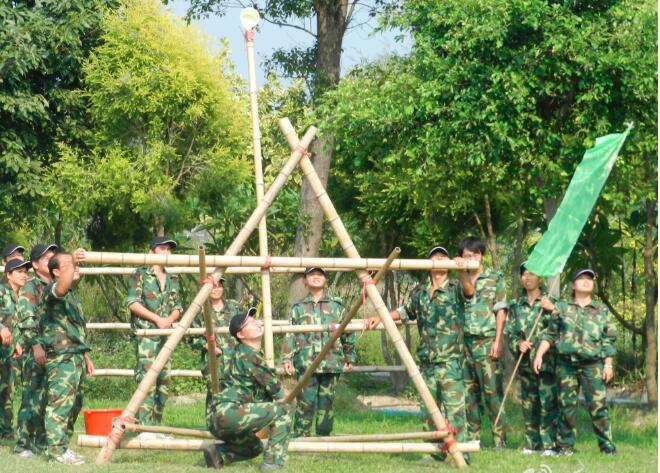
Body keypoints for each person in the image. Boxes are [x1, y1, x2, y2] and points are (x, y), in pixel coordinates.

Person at [366, 246, 473, 461]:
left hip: (450, 361)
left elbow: (469, 291)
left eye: (443, 258)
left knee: (455, 411)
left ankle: (462, 454)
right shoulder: (421, 292)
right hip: (427, 362)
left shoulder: (455, 287)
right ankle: (435, 455)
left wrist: (462, 270)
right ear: (428, 264)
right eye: (435, 258)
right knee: (428, 412)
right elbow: (405, 311)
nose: (439, 261)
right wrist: (382, 316)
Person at [533, 269, 617, 456]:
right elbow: (550, 335)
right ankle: (565, 446)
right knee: (566, 407)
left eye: (590, 279)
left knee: (598, 407)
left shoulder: (601, 310)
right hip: (566, 365)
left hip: (592, 366)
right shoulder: (562, 308)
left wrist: (608, 364)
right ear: (573, 285)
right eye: (582, 279)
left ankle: (607, 447)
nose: (586, 282)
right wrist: (539, 354)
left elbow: (608, 339)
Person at [205, 308, 292, 471]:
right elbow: (277, 392)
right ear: (240, 334)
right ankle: (272, 463)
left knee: (255, 447)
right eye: (251, 323)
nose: (258, 323)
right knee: (284, 410)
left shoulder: (230, 353)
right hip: (229, 414)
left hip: (214, 420)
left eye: (256, 320)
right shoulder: (250, 355)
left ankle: (219, 453)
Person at [281, 267, 356, 438]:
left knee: (326, 403)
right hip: (306, 362)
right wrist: (287, 358)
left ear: (325, 279)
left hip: (331, 362)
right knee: (305, 402)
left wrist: (349, 356)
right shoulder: (298, 308)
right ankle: (301, 437)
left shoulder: (336, 306)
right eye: (312, 274)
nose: (316, 277)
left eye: (320, 274)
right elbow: (290, 334)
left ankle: (324, 438)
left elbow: (349, 331)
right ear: (305, 281)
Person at [41, 250, 94, 464]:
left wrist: (85, 356)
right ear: (56, 272)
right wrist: (72, 258)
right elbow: (60, 288)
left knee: (74, 404)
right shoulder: (53, 289)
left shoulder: (72, 294)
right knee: (60, 404)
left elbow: (74, 330)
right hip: (61, 358)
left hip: (75, 355)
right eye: (69, 264)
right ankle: (55, 452)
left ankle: (63, 447)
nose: (75, 266)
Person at [126, 236, 182, 429]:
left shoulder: (173, 277)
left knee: (164, 381)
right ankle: (144, 427)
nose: (167, 252)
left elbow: (177, 306)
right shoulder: (140, 274)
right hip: (147, 335)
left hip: (166, 335)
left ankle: (155, 426)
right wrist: (157, 319)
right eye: (162, 249)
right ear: (152, 252)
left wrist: (169, 320)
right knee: (146, 381)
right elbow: (133, 303)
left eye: (169, 249)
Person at [459, 236, 508, 448]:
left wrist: (498, 340)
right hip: (464, 345)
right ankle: (473, 439)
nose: (471, 259)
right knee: (469, 395)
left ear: (481, 256)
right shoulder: (459, 282)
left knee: (492, 394)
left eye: (474, 255)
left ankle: (499, 440)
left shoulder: (494, 279)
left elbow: (501, 311)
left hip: (487, 342)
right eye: (466, 256)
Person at [505, 263, 558, 456]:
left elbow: (564, 325)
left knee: (547, 404)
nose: (527, 278)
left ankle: (549, 445)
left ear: (540, 277)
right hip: (525, 363)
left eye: (532, 274)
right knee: (528, 404)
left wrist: (553, 309)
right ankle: (531, 444)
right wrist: (518, 344)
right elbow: (509, 333)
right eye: (524, 274)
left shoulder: (551, 301)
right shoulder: (515, 305)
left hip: (547, 363)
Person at [14, 243, 58, 457]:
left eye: (53, 257)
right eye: (46, 258)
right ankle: (22, 444)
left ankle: (40, 442)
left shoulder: (56, 285)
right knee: (32, 396)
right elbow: (26, 318)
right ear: (35, 264)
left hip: (54, 350)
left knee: (46, 397)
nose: (51, 260)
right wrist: (36, 346)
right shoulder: (31, 286)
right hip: (35, 350)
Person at [188, 276, 242, 412]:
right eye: (213, 286)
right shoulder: (200, 310)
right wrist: (207, 346)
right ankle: (213, 421)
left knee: (237, 396)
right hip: (214, 361)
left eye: (219, 286)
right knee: (214, 395)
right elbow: (191, 338)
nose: (216, 289)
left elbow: (244, 328)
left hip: (235, 360)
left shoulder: (233, 306)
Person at [0, 259, 29, 440]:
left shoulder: (23, 296)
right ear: (8, 275)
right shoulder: (2, 291)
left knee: (8, 391)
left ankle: (6, 431)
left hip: (12, 353)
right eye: (19, 271)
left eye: (25, 272)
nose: (24, 275)